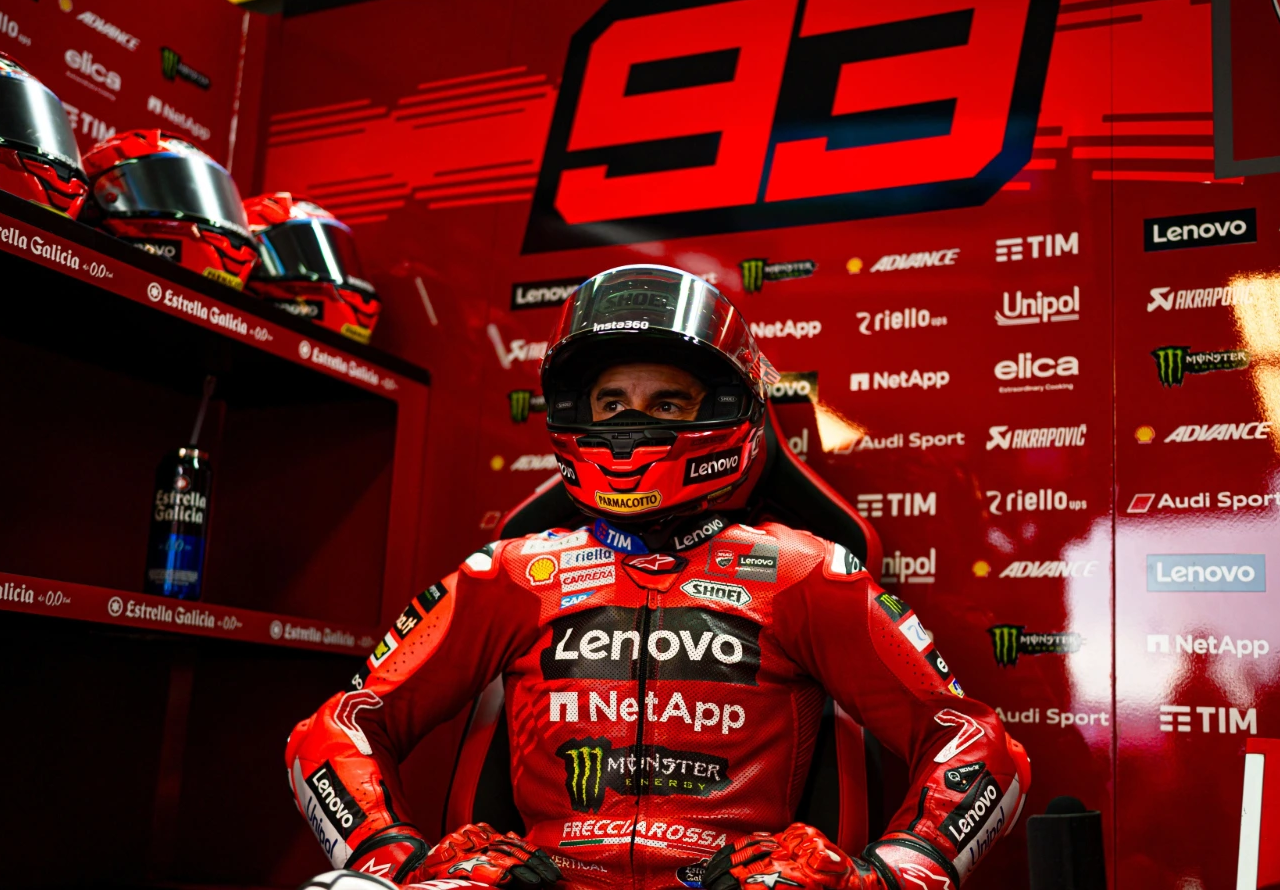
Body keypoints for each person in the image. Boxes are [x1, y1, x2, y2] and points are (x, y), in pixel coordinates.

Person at [285, 265, 1031, 890]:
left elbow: (982, 748)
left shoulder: (803, 572)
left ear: (728, 410)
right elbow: (332, 733)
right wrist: (392, 858)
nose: (630, 427)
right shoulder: (511, 573)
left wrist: (887, 877)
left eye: (666, 402)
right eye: (611, 402)